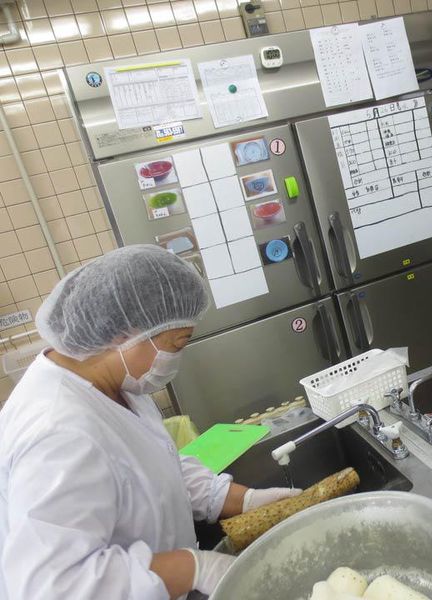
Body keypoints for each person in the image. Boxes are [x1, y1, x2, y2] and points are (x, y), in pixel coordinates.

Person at [0, 245, 300, 599]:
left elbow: (155, 466)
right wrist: (195, 568)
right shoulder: (57, 433)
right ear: (122, 336)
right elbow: (54, 586)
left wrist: (244, 500)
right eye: (177, 344)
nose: (176, 358)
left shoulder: (117, 382)